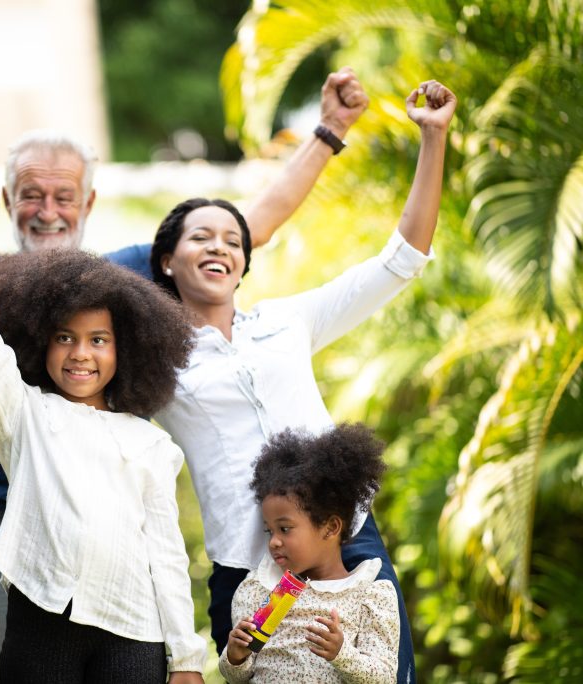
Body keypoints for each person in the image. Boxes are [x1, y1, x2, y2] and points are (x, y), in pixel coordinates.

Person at [0, 59, 369, 683]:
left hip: (111, 528)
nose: (47, 210)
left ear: (88, 202)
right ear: (7, 200)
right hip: (5, 523)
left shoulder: (123, 280)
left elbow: (250, 227)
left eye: (63, 195)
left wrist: (327, 131)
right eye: (31, 194)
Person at [151, 79, 458, 684]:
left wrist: (434, 136)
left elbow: (403, 259)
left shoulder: (287, 321)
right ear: (166, 259)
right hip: (248, 566)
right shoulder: (154, 361)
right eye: (201, 237)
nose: (221, 247)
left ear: (244, 263)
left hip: (347, 543)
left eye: (234, 241)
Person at [0, 201, 206, 683]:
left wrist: (185, 660)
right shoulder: (25, 412)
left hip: (134, 627)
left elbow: (165, 552)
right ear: (42, 342)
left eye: (99, 339)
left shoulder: (152, 445)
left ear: (128, 348)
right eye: (65, 337)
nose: (81, 354)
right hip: (42, 620)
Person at [219, 424, 398, 683]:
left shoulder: (370, 596)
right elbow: (237, 677)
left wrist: (342, 654)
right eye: (269, 531)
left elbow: (384, 678)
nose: (274, 542)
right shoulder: (258, 589)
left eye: (285, 528)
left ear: (330, 527)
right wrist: (235, 656)